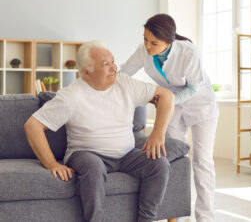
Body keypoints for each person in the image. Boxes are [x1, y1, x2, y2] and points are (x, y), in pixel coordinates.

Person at [24, 40, 175, 222]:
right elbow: (33, 125)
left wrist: (157, 133)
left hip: (127, 155)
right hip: (85, 154)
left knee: (159, 163)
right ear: (86, 72)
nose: (114, 68)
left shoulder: (124, 83)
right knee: (94, 167)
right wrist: (51, 164)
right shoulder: (71, 96)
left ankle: (146, 219)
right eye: (106, 64)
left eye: (113, 61)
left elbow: (166, 95)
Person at [119, 14, 218, 222]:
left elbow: (193, 87)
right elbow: (124, 73)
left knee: (203, 161)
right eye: (145, 39)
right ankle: (176, 214)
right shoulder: (144, 50)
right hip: (174, 108)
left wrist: (168, 100)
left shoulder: (189, 53)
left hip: (202, 107)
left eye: (154, 42)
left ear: (169, 42)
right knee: (172, 158)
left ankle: (206, 217)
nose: (147, 46)